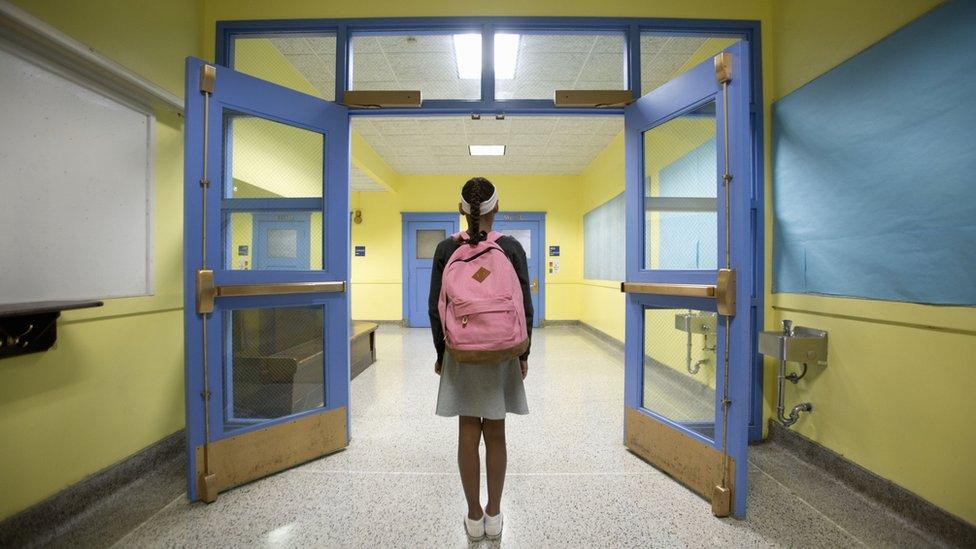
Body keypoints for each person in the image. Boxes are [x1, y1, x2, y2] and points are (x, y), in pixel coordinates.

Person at [428, 177, 533, 541]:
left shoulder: (445, 249)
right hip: (502, 351)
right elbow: (525, 306)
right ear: (497, 208)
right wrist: (523, 354)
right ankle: (494, 513)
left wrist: (443, 355)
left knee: (467, 432)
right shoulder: (511, 248)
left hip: (462, 352)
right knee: (498, 432)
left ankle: (473, 518)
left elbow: (434, 308)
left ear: (462, 210)